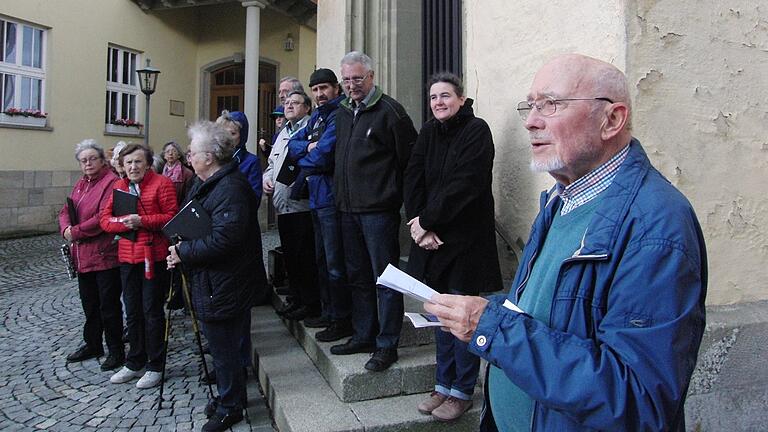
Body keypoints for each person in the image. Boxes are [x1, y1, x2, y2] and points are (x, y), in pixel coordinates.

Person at [424, 54, 708, 431]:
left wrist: (491, 326)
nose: (531, 121)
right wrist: (478, 310)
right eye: (531, 105)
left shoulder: (657, 227)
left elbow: (637, 398)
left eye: (551, 104)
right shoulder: (563, 197)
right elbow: (548, 311)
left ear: (612, 120)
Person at [404, 73, 502, 421]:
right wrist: (419, 225)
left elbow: (466, 184)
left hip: (464, 242)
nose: (439, 103)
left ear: (461, 99)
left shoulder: (477, 131)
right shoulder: (428, 132)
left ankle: (462, 391)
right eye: (433, 98)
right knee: (436, 317)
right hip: (431, 241)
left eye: (445, 96)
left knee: (461, 321)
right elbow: (413, 177)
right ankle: (442, 385)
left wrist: (428, 221)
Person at [166, 121, 264, 432]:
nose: (188, 157)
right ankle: (228, 395)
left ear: (209, 156)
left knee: (225, 348)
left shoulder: (231, 188)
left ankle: (231, 406)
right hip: (210, 279)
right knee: (220, 346)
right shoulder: (205, 182)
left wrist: (184, 252)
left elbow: (225, 240)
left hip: (226, 280)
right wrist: (178, 247)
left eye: (192, 152)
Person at [331, 51, 418, 371]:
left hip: (378, 211)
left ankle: (387, 344)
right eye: (347, 79)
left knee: (387, 279)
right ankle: (364, 334)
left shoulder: (390, 111)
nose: (352, 85)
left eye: (357, 78)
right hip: (347, 209)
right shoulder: (341, 112)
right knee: (357, 277)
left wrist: (409, 208)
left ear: (371, 77)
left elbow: (410, 163)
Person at [100, 143, 178, 389]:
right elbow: (105, 220)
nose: (133, 167)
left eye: (138, 162)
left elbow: (170, 216)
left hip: (152, 256)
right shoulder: (118, 186)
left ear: (147, 163)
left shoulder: (162, 183)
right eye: (128, 163)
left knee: (151, 311)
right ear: (122, 166)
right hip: (127, 257)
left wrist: (142, 221)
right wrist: (125, 222)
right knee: (131, 312)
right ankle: (135, 361)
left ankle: (155, 364)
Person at [287, 68, 352, 341]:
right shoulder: (316, 117)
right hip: (316, 197)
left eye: (324, 88)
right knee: (322, 260)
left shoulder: (338, 115)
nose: (319, 94)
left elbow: (324, 158)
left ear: (336, 88)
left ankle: (341, 319)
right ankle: (328, 312)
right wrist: (309, 148)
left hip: (331, 199)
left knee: (335, 263)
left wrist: (309, 151)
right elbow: (292, 143)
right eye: (315, 90)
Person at [58, 139, 124, 371]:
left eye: (92, 158)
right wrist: (65, 227)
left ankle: (116, 350)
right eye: (83, 160)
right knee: (89, 305)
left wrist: (75, 231)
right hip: (83, 256)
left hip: (105, 255)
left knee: (109, 306)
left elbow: (102, 218)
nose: (88, 163)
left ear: (102, 160)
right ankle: (93, 343)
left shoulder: (112, 182)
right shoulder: (81, 183)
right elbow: (67, 209)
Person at [262, 91, 319, 321]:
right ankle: (296, 298)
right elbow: (272, 163)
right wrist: (267, 178)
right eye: (287, 103)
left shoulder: (308, 130)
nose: (289, 106)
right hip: (282, 206)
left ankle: (309, 302)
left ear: (307, 108)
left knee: (304, 257)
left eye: (295, 103)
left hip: (302, 205)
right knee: (291, 258)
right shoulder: (283, 132)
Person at [215, 110, 263, 208]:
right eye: (224, 133)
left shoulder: (251, 162)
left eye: (232, 133)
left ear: (242, 136)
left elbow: (254, 200)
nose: (227, 138)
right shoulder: (215, 158)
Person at [161, 140, 194, 207]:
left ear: (179, 155)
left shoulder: (187, 173)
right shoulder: (160, 171)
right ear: (164, 156)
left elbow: (188, 197)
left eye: (174, 151)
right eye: (167, 151)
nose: (170, 153)